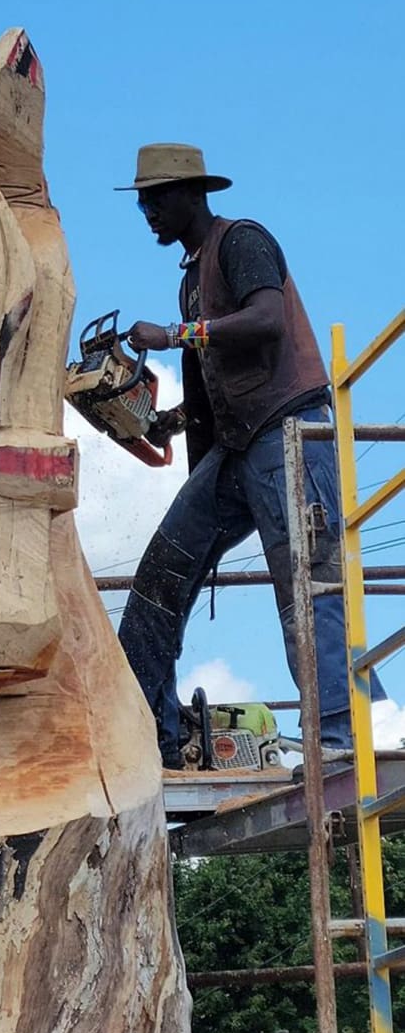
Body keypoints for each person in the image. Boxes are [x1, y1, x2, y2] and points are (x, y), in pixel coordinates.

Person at [114, 142, 385, 769]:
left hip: (289, 431)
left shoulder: (242, 241)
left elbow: (266, 320)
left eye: (157, 198)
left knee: (307, 583)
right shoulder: (191, 280)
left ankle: (342, 737)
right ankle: (149, 737)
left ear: (193, 193)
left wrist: (174, 335)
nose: (148, 211)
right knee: (161, 575)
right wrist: (159, 423)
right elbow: (210, 383)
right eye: (142, 202)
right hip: (236, 447)